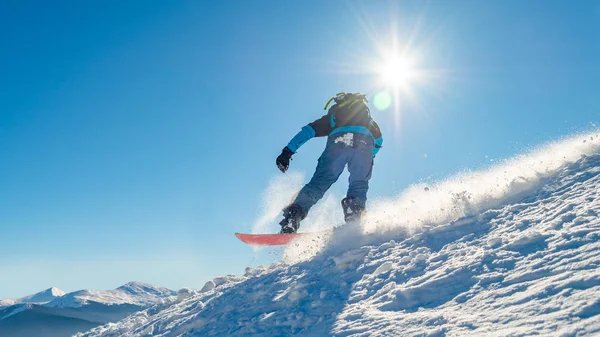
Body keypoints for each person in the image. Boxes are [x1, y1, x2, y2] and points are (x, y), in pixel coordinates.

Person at [275, 92, 383, 234]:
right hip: (365, 145)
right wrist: (369, 156)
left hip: (338, 143)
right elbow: (379, 141)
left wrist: (287, 151)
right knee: (359, 183)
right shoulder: (370, 122)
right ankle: (353, 213)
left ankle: (293, 217)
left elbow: (308, 131)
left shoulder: (334, 117)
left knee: (319, 183)